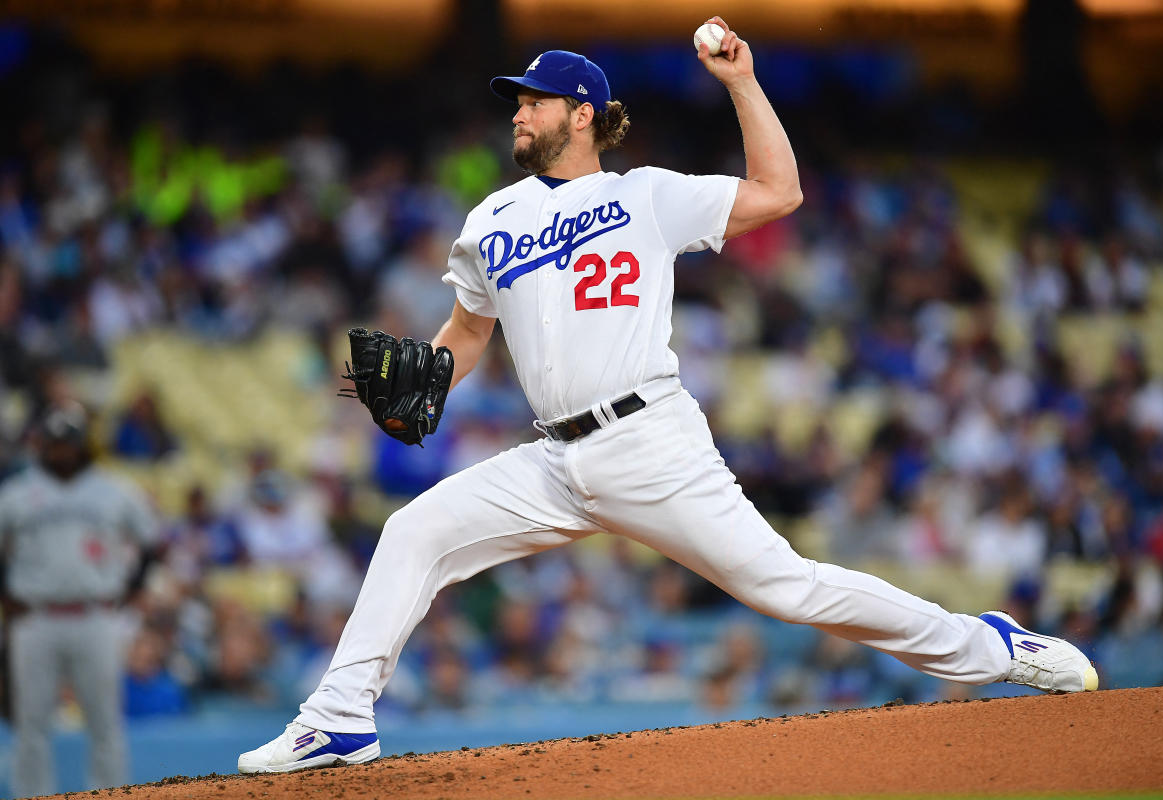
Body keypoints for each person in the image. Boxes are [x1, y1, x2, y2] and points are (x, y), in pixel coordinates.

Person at [238, 17, 1097, 774]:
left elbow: (780, 191)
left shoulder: (645, 195)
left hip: (649, 442)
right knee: (413, 530)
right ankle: (340, 719)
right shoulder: (490, 220)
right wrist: (420, 379)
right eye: (516, 101)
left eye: (533, 101)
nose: (517, 113)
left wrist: (744, 83)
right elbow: (464, 339)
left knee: (787, 589)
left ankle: (990, 646)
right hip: (552, 458)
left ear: (580, 113)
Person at [0, 403, 160, 795]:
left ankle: (109, 793)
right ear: (43, 446)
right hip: (35, 617)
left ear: (81, 445)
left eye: (68, 443)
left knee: (104, 719)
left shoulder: (113, 489)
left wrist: (134, 587)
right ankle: (30, 794)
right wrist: (6, 594)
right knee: (31, 721)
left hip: (95, 615)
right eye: (54, 443)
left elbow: (152, 541)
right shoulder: (18, 493)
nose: (61, 451)